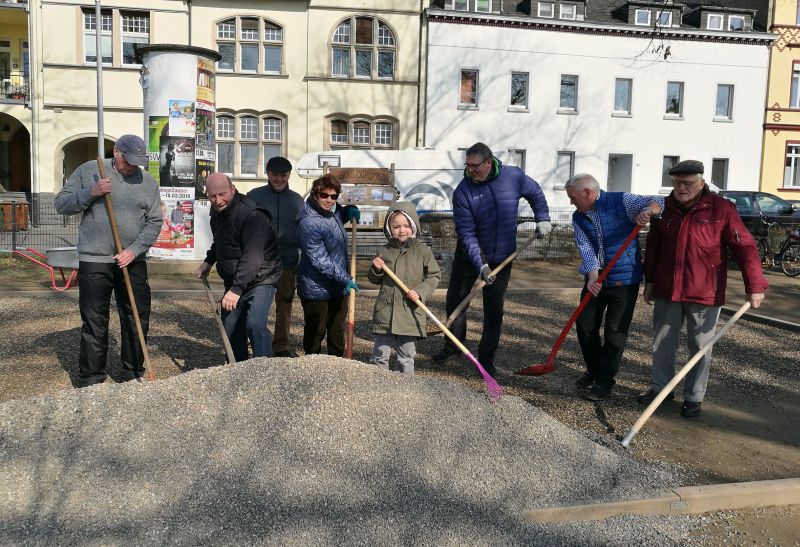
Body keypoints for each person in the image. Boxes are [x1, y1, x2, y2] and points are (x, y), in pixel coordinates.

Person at [640, 160, 767, 417]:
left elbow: (745, 248)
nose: (681, 188)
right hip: (667, 289)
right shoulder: (664, 209)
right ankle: (660, 389)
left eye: (687, 183)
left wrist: (754, 286)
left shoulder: (722, 209)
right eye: (677, 183)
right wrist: (650, 281)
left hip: (704, 292)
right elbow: (653, 248)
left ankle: (693, 397)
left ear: (701, 182)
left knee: (700, 347)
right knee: (662, 343)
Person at [432, 142, 551, 376]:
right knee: (456, 302)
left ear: (489, 162)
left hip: (503, 257)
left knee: (494, 309)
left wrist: (542, 218)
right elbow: (466, 233)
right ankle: (454, 346)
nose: (469, 170)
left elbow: (535, 193)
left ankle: (486, 359)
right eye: (466, 166)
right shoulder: (463, 191)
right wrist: (481, 265)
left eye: (474, 166)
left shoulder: (513, 177)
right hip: (469, 256)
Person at [54, 134, 162, 387]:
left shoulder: (148, 182)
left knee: (136, 315)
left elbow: (155, 221)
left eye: (138, 161)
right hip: (95, 259)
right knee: (94, 318)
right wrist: (91, 192)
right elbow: (61, 204)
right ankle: (91, 377)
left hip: (131, 260)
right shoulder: (90, 171)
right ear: (116, 152)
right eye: (129, 160)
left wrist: (134, 250)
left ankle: (133, 370)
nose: (133, 166)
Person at [566, 174, 664, 401]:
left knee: (615, 333)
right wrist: (592, 275)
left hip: (623, 281)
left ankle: (604, 382)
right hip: (596, 279)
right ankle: (594, 370)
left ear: (588, 193)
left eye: (573, 197)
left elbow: (662, 202)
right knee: (585, 325)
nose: (571, 202)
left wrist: (648, 210)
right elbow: (585, 247)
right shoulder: (579, 217)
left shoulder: (622, 202)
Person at [196, 173, 283, 362]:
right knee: (231, 326)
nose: (218, 201)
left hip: (262, 276)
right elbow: (222, 240)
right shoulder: (217, 213)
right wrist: (209, 261)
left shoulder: (253, 215)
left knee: (255, 324)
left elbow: (253, 256)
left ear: (233, 189)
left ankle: (264, 368)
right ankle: (238, 368)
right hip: (236, 277)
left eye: (222, 194)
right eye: (212, 196)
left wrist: (236, 289)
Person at [368, 202, 442, 375]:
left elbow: (434, 276)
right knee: (380, 355)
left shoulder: (423, 251)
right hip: (386, 311)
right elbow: (374, 279)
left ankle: (406, 391)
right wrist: (376, 269)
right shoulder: (384, 251)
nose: (402, 230)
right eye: (396, 226)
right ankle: (379, 386)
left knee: (406, 356)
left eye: (406, 226)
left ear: (414, 225)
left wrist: (420, 292)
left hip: (411, 312)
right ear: (389, 228)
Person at [296, 173, 360, 356]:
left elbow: (336, 218)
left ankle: (337, 368)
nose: (329, 200)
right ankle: (311, 367)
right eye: (324, 195)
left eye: (333, 196)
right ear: (315, 195)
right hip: (316, 287)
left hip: (337, 286)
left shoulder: (333, 211)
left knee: (337, 330)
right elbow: (320, 260)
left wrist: (348, 211)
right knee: (317, 330)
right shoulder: (308, 223)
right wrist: (345, 279)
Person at [247, 156, 304, 357]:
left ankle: (281, 346)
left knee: (284, 305)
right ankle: (256, 343)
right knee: (255, 307)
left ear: (289, 175)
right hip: (261, 264)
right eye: (275, 175)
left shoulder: (296, 200)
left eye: (283, 175)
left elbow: (310, 223)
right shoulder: (254, 196)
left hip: (288, 263)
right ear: (268, 174)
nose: (279, 179)